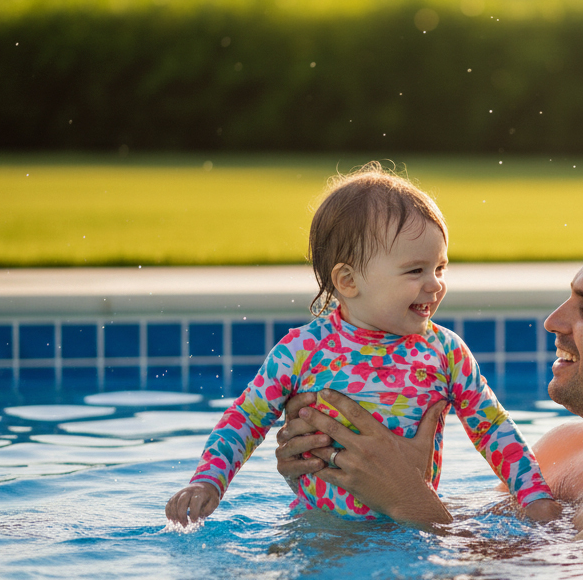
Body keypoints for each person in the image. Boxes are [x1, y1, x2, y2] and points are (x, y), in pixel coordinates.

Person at [275, 210, 583, 540]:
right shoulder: (563, 447)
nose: (554, 321)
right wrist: (354, 472)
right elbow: (483, 547)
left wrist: (405, 498)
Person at [165, 163, 558, 525]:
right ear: (349, 281)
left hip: (410, 525)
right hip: (317, 531)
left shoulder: (445, 352)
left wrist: (534, 497)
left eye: (440, 268)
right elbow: (246, 419)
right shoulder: (302, 351)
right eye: (415, 270)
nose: (435, 284)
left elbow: (492, 427)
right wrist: (208, 482)